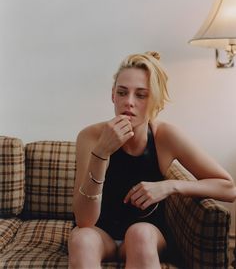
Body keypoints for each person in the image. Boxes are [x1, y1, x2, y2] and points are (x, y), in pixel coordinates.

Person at [68, 51, 236, 269]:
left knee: (141, 234)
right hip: (100, 234)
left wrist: (169, 186)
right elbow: (84, 221)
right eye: (122, 92)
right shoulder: (90, 137)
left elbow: (229, 188)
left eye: (141, 95)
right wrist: (101, 153)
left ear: (154, 99)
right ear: (112, 95)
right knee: (81, 239)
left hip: (146, 233)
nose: (129, 102)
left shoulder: (165, 137)